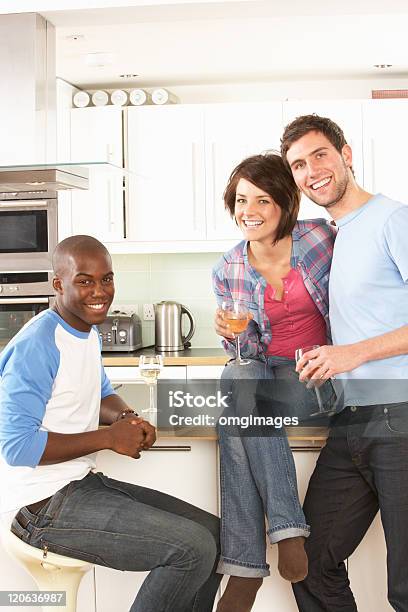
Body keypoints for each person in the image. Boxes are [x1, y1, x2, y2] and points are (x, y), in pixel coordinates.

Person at [0, 235, 221, 612]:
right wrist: (108, 438)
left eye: (107, 279)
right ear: (59, 284)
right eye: (84, 281)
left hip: (77, 485)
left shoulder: (85, 331)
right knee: (192, 549)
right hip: (37, 507)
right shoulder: (39, 343)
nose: (99, 291)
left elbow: (101, 393)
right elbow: (17, 447)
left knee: (217, 536)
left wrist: (126, 417)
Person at [280, 114, 408, 612]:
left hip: (401, 416)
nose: (311, 170)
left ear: (345, 154)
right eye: (298, 165)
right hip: (352, 422)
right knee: (308, 561)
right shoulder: (335, 234)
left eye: (320, 155)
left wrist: (349, 354)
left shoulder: (392, 219)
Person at [212, 153, 336, 612]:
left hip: (316, 376)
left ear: (285, 203)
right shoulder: (227, 268)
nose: (250, 211)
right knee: (240, 379)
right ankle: (287, 532)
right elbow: (246, 353)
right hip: (266, 376)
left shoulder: (321, 238)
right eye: (242, 200)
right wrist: (235, 336)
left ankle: (244, 568)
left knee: (236, 417)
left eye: (263, 200)